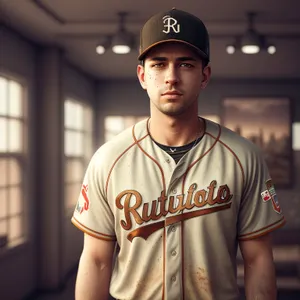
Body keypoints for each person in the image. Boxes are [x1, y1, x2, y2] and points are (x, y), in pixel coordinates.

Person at [71, 8, 286, 300]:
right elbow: (96, 260)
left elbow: (258, 258)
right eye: (159, 65)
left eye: (185, 64)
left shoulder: (243, 156)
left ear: (204, 75)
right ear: (142, 75)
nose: (171, 77)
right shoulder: (108, 159)